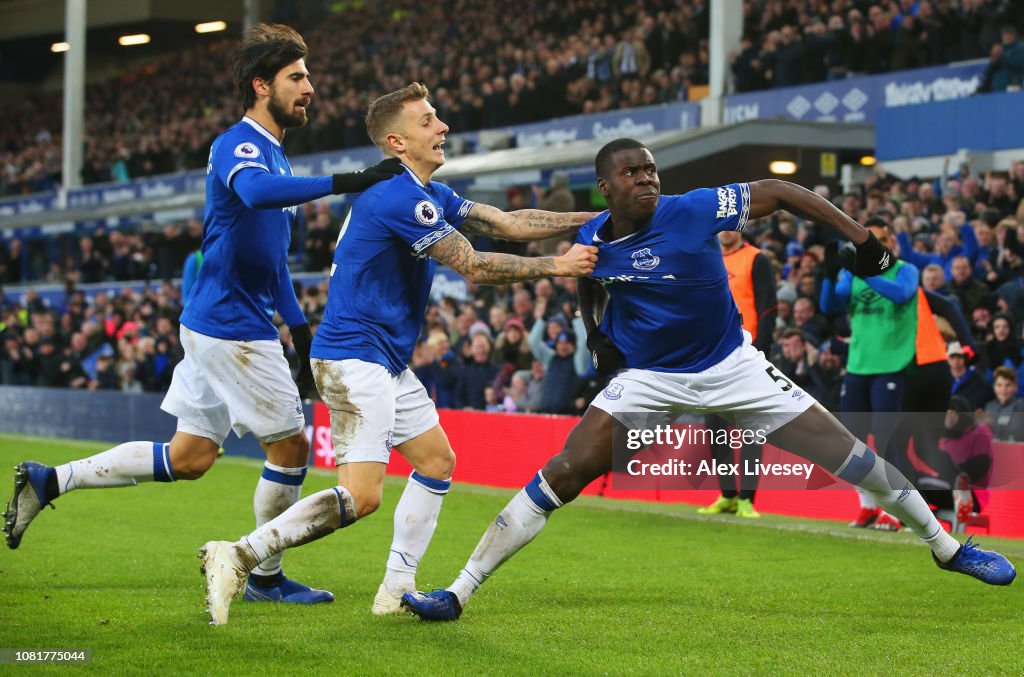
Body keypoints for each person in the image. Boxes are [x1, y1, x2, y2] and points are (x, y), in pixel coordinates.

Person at [401, 138, 1015, 622]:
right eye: (632, 172)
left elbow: (779, 190)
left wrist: (862, 240)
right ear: (605, 187)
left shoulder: (692, 209)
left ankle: (949, 549)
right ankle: (458, 591)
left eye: (651, 169)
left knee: (852, 458)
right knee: (566, 469)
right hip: (649, 378)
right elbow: (590, 279)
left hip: (733, 368)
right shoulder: (592, 238)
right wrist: (596, 336)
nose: (647, 177)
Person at [2, 24, 404, 607]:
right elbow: (257, 196)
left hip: (225, 323)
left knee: (189, 458)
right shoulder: (237, 145)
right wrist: (353, 180)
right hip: (231, 328)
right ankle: (263, 575)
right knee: (290, 449)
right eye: (297, 77)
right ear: (261, 86)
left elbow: (270, 261)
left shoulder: (279, 159)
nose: (309, 87)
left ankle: (51, 479)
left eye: (309, 76)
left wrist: (296, 327)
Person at [197, 82, 600, 625]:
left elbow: (505, 223)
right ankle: (240, 555)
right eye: (429, 120)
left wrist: (590, 222)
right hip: (353, 358)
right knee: (362, 497)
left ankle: (395, 589)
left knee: (437, 461)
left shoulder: (428, 193)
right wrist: (559, 266)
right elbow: (476, 266)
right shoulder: (400, 197)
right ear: (397, 140)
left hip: (382, 358)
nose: (442, 127)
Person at [820, 219, 919, 531]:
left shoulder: (905, 269)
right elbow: (830, 304)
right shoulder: (853, 273)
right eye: (868, 241)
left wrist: (863, 271)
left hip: (892, 364)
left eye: (881, 240)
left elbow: (902, 295)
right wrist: (828, 274)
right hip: (858, 366)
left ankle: (898, 512)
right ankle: (867, 508)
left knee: (887, 441)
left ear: (890, 243)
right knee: (853, 443)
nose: (876, 246)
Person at [698, 229, 777, 518]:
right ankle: (728, 494)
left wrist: (762, 352)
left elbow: (768, 308)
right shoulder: (706, 258)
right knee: (716, 429)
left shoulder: (757, 260)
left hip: (746, 356)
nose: (728, 231)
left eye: (733, 225)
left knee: (751, 430)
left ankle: (747, 498)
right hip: (711, 355)